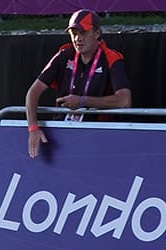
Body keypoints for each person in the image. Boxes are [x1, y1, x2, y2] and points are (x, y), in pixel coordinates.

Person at [24, 10, 132, 159]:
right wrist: (33, 128)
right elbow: (33, 92)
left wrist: (82, 101)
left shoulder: (111, 58)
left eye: (83, 33)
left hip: (97, 135)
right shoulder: (64, 54)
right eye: (74, 33)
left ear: (97, 33)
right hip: (62, 132)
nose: (78, 38)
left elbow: (124, 101)